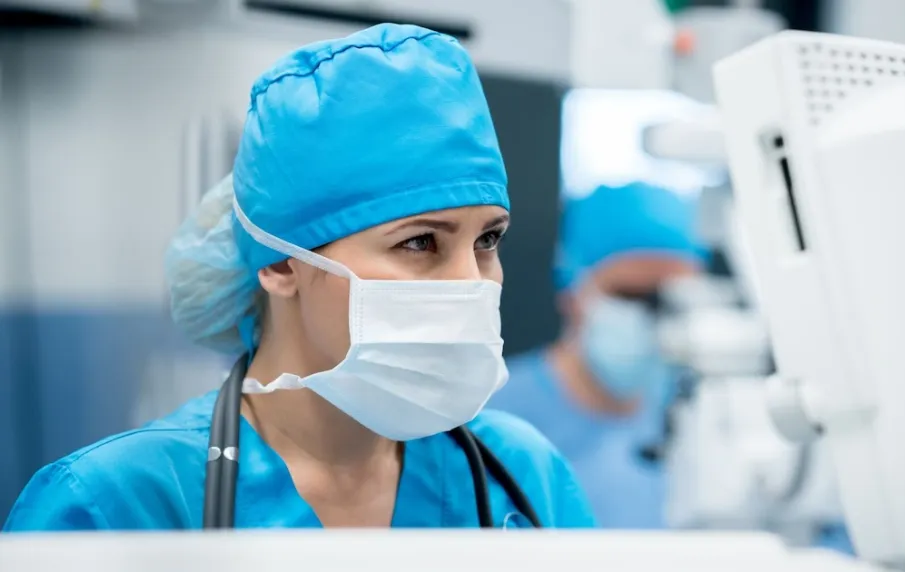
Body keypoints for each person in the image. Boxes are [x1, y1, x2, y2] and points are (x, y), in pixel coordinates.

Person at [3, 24, 595, 531]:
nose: (472, 282)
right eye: (419, 243)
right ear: (281, 262)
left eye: (487, 240)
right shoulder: (118, 507)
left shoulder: (522, 480)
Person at [487, 182, 706, 528]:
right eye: (631, 294)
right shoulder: (490, 423)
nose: (653, 317)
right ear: (573, 290)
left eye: (670, 299)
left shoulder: (705, 420)